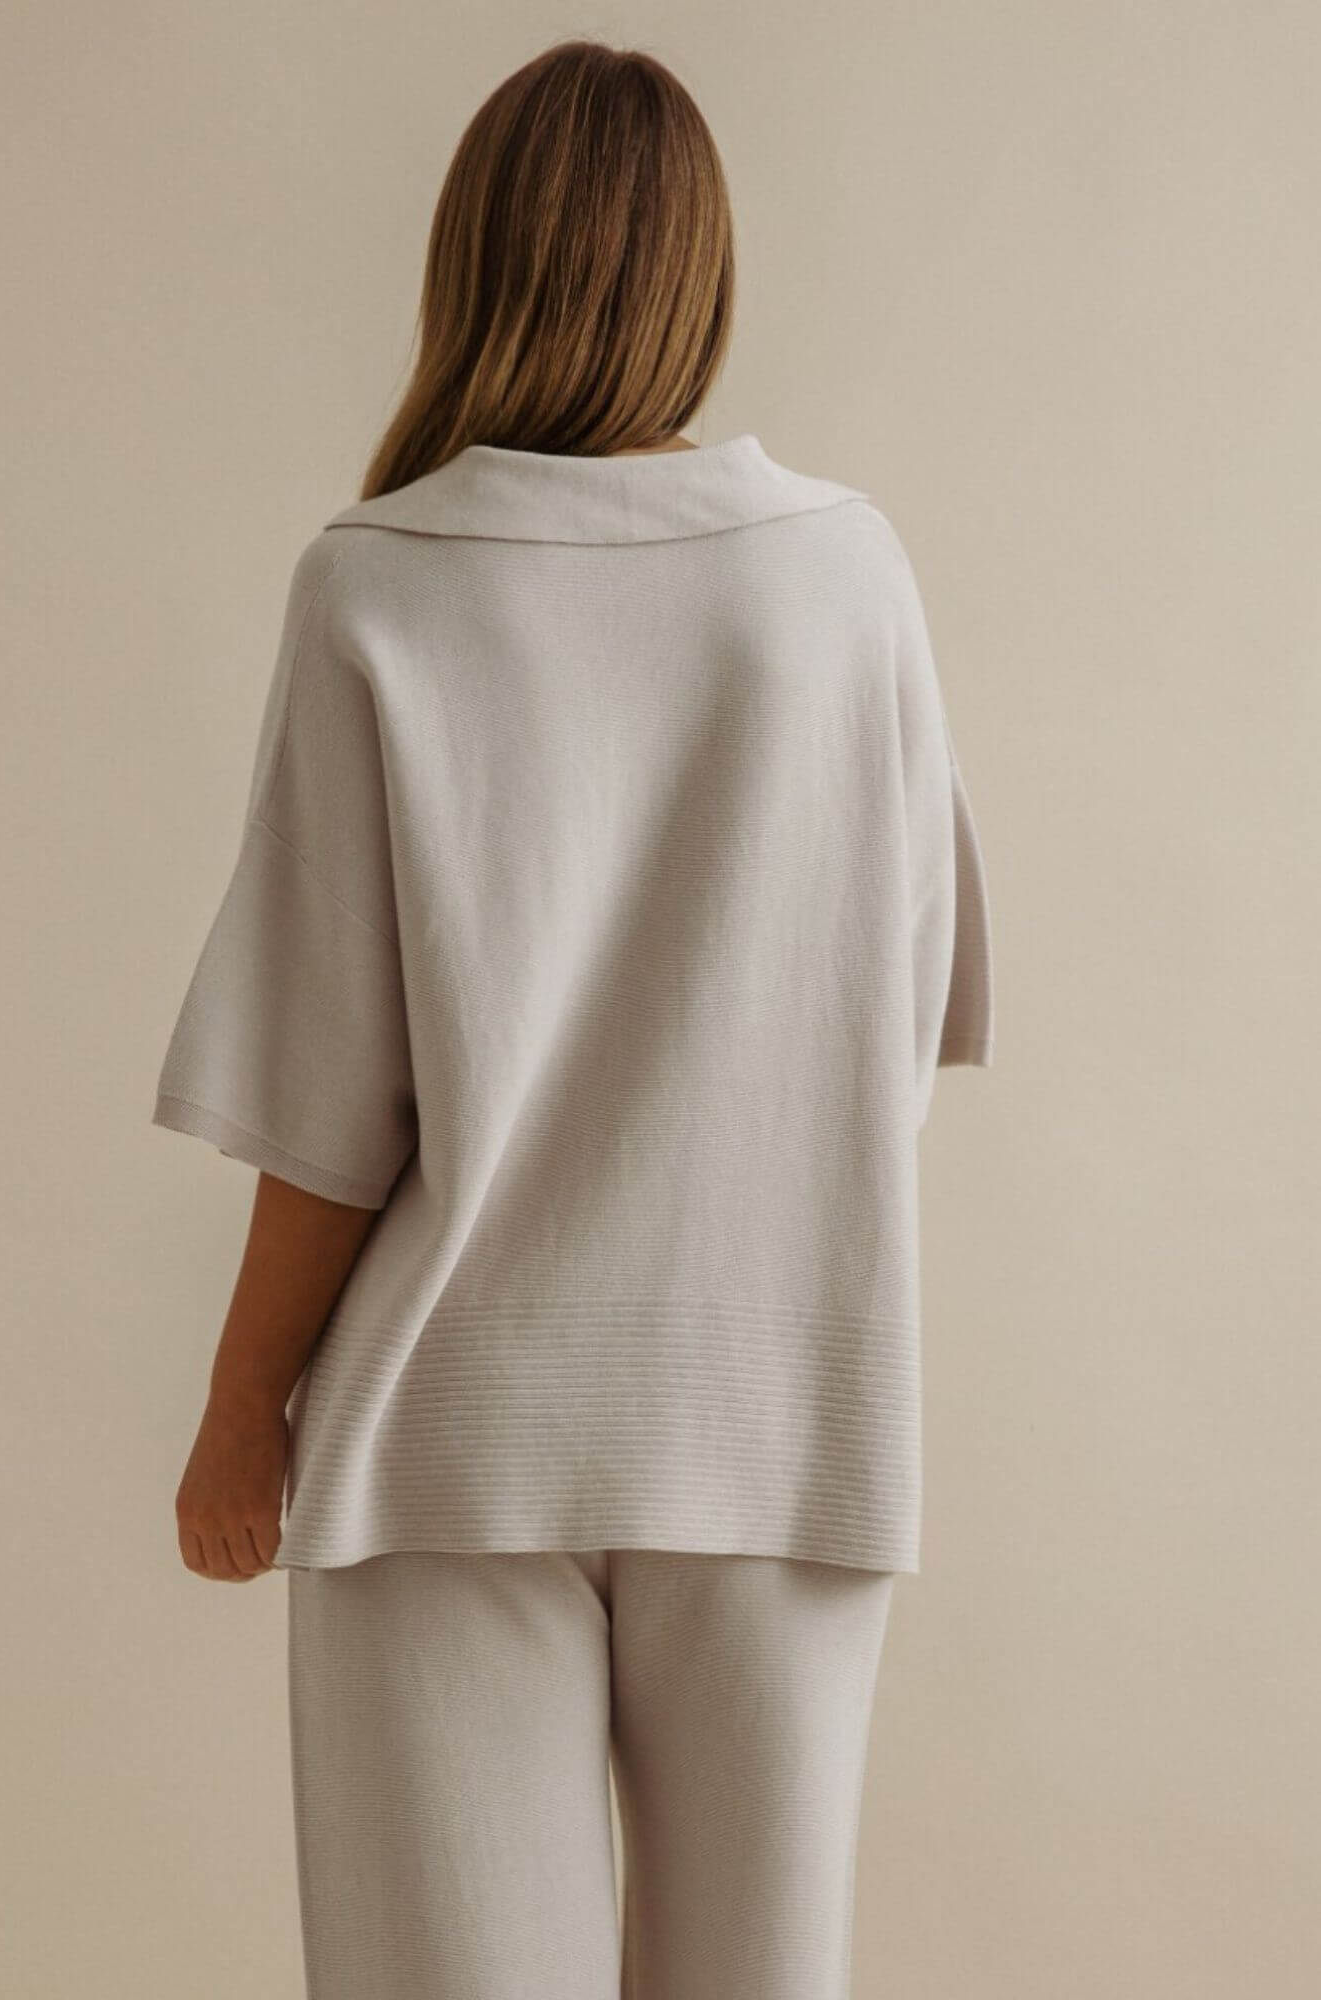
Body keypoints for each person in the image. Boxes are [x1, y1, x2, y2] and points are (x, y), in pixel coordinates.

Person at [150, 34, 994, 2000]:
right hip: (783, 1411)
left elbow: (329, 1090)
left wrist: (240, 1406)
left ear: (473, 260)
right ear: (701, 276)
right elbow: (892, 1026)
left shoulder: (379, 581)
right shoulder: (847, 578)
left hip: (450, 1431)